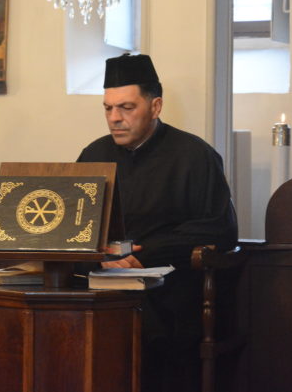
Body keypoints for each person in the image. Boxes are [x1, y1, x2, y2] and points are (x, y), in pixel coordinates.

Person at [77, 54, 238, 392]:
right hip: (102, 282)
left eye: (126, 107)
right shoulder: (93, 156)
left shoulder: (195, 156)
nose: (115, 118)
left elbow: (220, 230)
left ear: (156, 106)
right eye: (108, 108)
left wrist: (144, 254)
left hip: (170, 287)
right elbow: (78, 228)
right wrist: (104, 256)